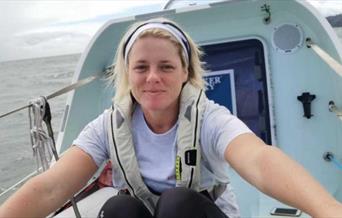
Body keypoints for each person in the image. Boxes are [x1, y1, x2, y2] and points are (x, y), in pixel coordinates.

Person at [1, 17, 342, 218]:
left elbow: (259, 160)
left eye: (166, 66)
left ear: (185, 73)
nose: (153, 77)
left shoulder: (209, 119)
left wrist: (329, 211)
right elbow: (52, 187)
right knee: (119, 211)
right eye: (141, 67)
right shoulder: (107, 127)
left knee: (177, 204)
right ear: (127, 75)